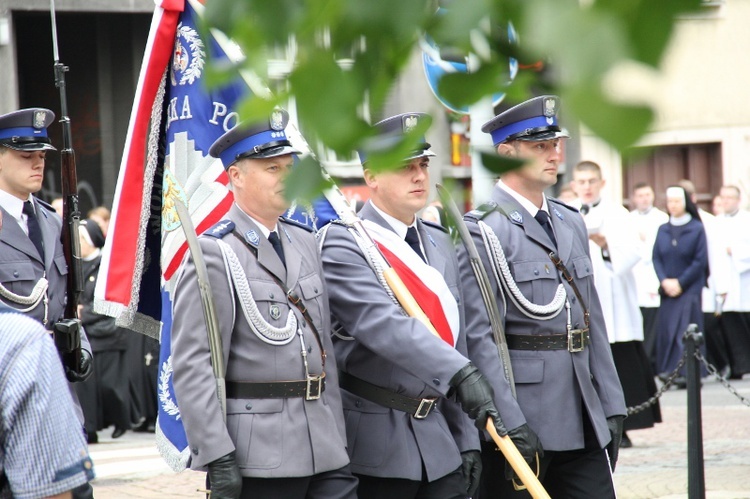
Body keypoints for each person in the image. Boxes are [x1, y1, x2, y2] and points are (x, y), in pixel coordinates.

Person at [170, 109, 357, 499]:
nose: (286, 177)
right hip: (261, 453)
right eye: (273, 168)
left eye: (289, 166)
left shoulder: (304, 241)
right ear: (236, 176)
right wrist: (218, 455)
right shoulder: (213, 253)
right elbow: (193, 364)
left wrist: (337, 435)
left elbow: (325, 350)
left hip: (324, 446)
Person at [320, 112, 498, 499]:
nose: (419, 176)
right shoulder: (345, 244)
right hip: (377, 442)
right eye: (404, 167)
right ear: (371, 177)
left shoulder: (438, 242)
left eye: (423, 164)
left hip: (439, 442)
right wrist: (463, 375)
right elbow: (384, 326)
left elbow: (455, 340)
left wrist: (466, 438)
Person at [460, 95, 627, 498]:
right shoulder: (481, 230)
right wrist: (506, 420)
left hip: (583, 410)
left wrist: (613, 402)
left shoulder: (570, 220)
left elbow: (592, 322)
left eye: (555, 144)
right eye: (540, 146)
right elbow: (481, 339)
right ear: (505, 154)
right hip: (525, 417)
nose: (554, 154)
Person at [0, 108, 94, 499]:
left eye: (41, 156)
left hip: (59, 401)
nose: (38, 163)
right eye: (26, 156)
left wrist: (80, 347)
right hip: (11, 405)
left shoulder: (51, 221)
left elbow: (64, 302)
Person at [571, 162, 661, 449]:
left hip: (613, 300)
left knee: (619, 364)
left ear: (601, 183)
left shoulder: (617, 214)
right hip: (580, 299)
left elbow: (635, 252)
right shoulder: (564, 210)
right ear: (574, 184)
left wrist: (606, 245)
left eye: (591, 181)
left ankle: (623, 426)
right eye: (581, 181)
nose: (586, 186)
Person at [0, 304, 95, 498]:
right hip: (20, 372)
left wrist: (81, 348)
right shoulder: (20, 334)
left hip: (58, 391)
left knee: (77, 487)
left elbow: (66, 306)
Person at [74, 219, 133, 443]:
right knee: (86, 389)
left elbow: (108, 301)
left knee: (109, 386)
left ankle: (120, 419)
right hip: (85, 334)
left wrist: (84, 313)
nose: (77, 243)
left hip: (106, 334)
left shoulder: (105, 266)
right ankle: (90, 428)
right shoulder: (76, 265)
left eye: (81, 239)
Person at [652, 186, 709, 386]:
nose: (673, 205)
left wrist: (680, 282)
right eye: (670, 202)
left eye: (677, 201)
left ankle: (689, 373)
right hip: (668, 289)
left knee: (686, 329)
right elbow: (656, 257)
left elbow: (699, 261)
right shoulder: (663, 229)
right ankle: (670, 370)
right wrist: (665, 281)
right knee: (668, 330)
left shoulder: (696, 228)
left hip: (689, 288)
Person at [678, 180, 731, 379]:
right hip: (686, 284)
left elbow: (717, 255)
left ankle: (721, 364)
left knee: (709, 326)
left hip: (707, 282)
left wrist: (721, 285)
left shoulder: (708, 222)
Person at [629, 182, 669, 371]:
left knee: (653, 324)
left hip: (653, 276)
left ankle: (652, 363)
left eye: (647, 194)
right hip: (634, 277)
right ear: (634, 198)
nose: (644, 199)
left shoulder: (662, 219)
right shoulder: (628, 219)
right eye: (640, 195)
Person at [716, 185, 750, 379]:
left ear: (738, 200)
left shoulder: (746, 219)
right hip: (725, 282)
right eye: (723, 197)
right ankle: (737, 366)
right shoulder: (716, 223)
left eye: (730, 197)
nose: (726, 201)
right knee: (729, 326)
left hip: (745, 279)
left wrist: (735, 252)